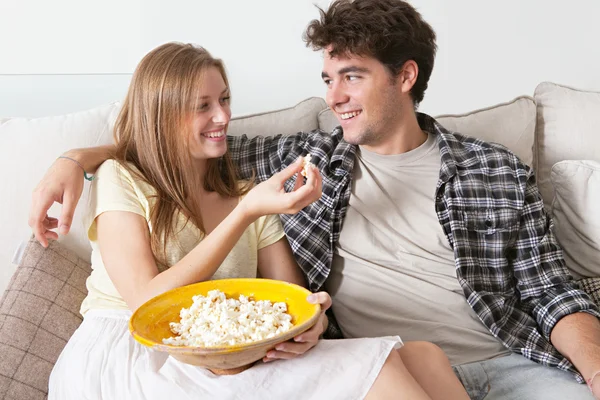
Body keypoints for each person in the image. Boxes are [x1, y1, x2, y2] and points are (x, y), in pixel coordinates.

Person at [30, 1, 600, 399]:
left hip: (509, 359)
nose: (333, 98)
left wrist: (595, 368)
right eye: (327, 79)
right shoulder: (303, 162)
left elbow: (550, 290)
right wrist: (73, 159)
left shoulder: (494, 169)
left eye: (350, 77)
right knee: (412, 356)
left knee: (424, 356)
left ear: (405, 76)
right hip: (179, 354)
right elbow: (165, 145)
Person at [45, 42, 469, 400]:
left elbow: (290, 297)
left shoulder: (246, 190)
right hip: (134, 356)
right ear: (163, 114)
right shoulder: (122, 177)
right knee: (383, 371)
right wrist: (245, 213)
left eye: (225, 100)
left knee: (425, 356)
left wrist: (314, 321)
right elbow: (146, 304)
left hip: (230, 351)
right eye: (203, 107)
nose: (223, 118)